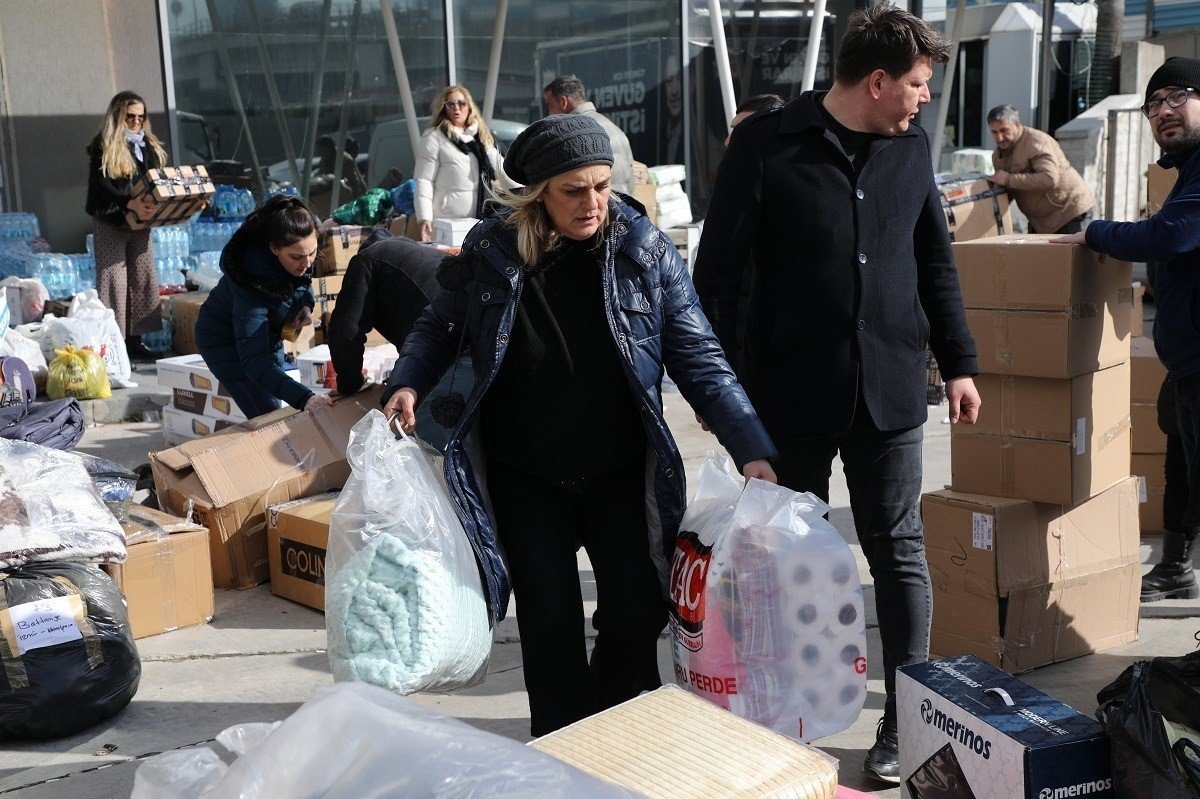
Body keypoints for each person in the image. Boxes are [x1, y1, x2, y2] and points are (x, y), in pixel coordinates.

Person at [383, 114, 778, 736]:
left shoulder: (644, 251)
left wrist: (751, 446)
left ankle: (616, 732)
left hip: (619, 472)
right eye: (574, 190)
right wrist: (406, 381)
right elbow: (438, 326)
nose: (593, 203)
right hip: (525, 476)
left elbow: (700, 356)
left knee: (637, 609)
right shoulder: (492, 251)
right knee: (549, 624)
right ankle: (563, 749)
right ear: (538, 193)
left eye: (601, 186)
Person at [692, 4, 981, 783]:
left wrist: (959, 362)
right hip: (787, 393)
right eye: (917, 83)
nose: (926, 97)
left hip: (889, 385)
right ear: (877, 81)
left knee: (900, 549)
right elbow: (716, 279)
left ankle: (905, 719)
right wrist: (723, 395)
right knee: (784, 562)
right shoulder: (767, 144)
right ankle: (789, 716)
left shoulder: (910, 149)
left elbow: (935, 262)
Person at [1053, 57, 1200, 602]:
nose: (1163, 111)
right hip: (1187, 362)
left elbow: (1169, 235)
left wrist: (1096, 234)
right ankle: (1176, 566)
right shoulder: (1187, 171)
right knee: (1181, 459)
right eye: (1154, 103)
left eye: (1178, 96)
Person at [327, 232, 469, 449]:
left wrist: (349, 384)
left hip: (441, 334)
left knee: (415, 437)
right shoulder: (408, 249)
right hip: (472, 331)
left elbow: (345, 331)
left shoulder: (365, 260)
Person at [195, 195, 332, 418]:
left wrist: (305, 306)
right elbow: (255, 362)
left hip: (269, 332)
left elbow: (302, 283)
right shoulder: (251, 286)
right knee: (268, 414)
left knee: (276, 394)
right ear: (274, 249)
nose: (307, 263)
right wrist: (304, 397)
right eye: (297, 257)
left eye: (312, 253)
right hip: (225, 343)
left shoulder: (300, 253)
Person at [85, 90, 169, 359]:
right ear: (118, 116)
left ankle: (135, 341)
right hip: (111, 218)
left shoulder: (147, 145)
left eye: (141, 117)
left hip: (141, 220)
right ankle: (114, 344)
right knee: (114, 281)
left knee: (142, 278)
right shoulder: (103, 145)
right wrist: (127, 203)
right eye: (130, 117)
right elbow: (102, 186)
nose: (136, 122)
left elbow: (157, 181)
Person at [414, 85, 512, 242]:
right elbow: (423, 180)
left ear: (469, 107)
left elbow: (503, 171)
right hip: (446, 224)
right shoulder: (433, 137)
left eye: (461, 103)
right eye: (450, 104)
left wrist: (526, 193)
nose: (456, 108)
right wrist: (424, 217)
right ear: (444, 108)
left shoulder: (481, 138)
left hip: (477, 222)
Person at [987, 104, 1095, 234]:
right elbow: (1006, 192)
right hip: (1042, 222)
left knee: (1072, 248)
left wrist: (1008, 179)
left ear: (1017, 125)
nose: (999, 137)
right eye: (994, 132)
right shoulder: (997, 156)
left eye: (1004, 130)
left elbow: (1049, 178)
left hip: (1070, 213)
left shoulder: (1036, 142)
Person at [544, 75, 636, 195]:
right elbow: (631, 177)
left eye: (549, 106)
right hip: (623, 203)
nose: (549, 114)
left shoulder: (573, 134)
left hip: (600, 204)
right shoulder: (615, 128)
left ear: (563, 102)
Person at [316, 134, 368, 199]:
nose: (318, 152)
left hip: (352, 194)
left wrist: (357, 199)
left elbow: (354, 182)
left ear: (327, 147)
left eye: (320, 149)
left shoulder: (343, 159)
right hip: (338, 195)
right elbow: (322, 175)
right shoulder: (324, 160)